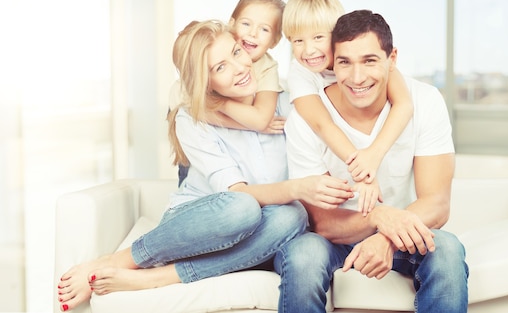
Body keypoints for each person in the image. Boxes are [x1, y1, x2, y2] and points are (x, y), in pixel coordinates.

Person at [56, 20, 354, 312]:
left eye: (237, 53)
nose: (239, 68)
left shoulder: (288, 105)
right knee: (242, 207)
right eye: (219, 68)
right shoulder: (193, 119)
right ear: (205, 81)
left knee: (293, 216)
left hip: (265, 232)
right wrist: (297, 187)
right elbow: (239, 193)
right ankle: (116, 261)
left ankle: (161, 277)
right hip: (203, 223)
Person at [276, 10, 469, 313]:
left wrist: (387, 238)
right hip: (335, 239)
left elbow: (437, 203)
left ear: (392, 59)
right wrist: (378, 218)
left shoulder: (425, 100)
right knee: (303, 253)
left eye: (369, 60)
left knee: (445, 248)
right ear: (331, 62)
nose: (357, 77)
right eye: (345, 62)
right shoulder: (305, 119)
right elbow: (322, 222)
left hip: (403, 233)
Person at [282, 0, 414, 215]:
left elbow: (404, 104)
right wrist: (362, 172)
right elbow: (322, 124)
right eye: (298, 40)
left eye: (318, 37)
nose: (308, 50)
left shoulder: (368, 58)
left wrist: (374, 154)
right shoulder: (300, 71)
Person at [170, 0, 286, 185]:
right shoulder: (201, 66)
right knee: (193, 174)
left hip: (238, 150)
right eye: (246, 24)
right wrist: (221, 106)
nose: (252, 34)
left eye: (264, 29)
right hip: (199, 145)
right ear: (232, 25)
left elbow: (260, 119)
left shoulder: (267, 68)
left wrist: (217, 103)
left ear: (275, 41)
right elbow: (186, 110)